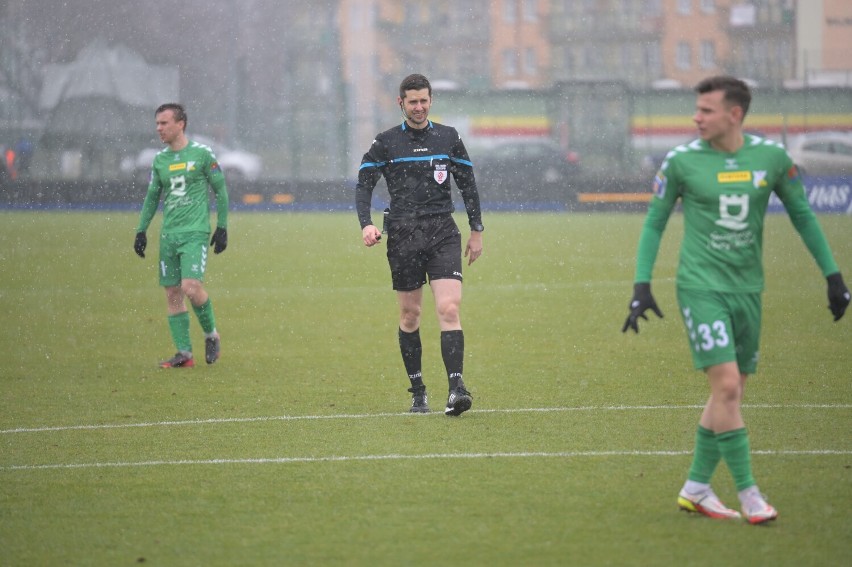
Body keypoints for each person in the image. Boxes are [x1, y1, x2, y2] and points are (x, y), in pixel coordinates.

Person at [622, 76, 850, 525]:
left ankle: (696, 487)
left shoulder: (771, 158)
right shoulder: (681, 161)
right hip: (700, 287)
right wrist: (641, 285)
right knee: (727, 386)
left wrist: (833, 276)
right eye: (697, 108)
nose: (696, 117)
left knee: (731, 391)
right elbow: (654, 222)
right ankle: (749, 495)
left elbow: (803, 215)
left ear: (735, 113)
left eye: (706, 110)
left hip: (749, 289)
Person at [356, 73, 485, 416]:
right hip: (402, 235)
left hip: (443, 230)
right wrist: (366, 224)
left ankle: (457, 390)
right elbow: (363, 184)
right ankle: (418, 392)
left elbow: (468, 184)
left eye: (423, 100)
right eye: (412, 101)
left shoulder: (448, 137)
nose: (418, 107)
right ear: (401, 103)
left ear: (431, 101)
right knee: (410, 315)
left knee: (449, 309)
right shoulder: (385, 143)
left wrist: (476, 230)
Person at [133, 103, 229, 368]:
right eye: (157, 124)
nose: (159, 129)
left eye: (164, 123)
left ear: (180, 124)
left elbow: (221, 190)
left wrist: (222, 227)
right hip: (169, 235)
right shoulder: (160, 160)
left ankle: (211, 335)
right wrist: (141, 231)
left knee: (190, 287)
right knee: (173, 293)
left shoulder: (201, 154)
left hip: (195, 233)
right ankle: (184, 354)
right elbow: (152, 198)